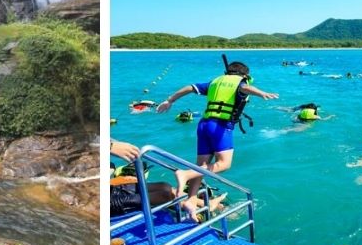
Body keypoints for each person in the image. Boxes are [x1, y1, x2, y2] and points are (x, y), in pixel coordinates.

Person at [156, 59, 278, 220]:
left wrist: (170, 100)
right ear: (245, 74)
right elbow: (245, 88)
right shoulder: (240, 83)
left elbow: (190, 87)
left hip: (204, 125)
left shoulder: (215, 82)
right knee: (224, 164)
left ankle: (191, 199)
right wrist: (261, 93)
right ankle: (184, 174)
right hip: (220, 127)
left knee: (202, 166)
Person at [109, 139, 174, 217]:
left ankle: (183, 204)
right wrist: (110, 147)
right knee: (164, 196)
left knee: (165, 186)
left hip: (111, 189)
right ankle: (183, 209)